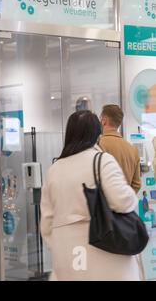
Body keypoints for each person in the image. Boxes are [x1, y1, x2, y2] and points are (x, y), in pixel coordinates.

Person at [40, 110, 140, 281]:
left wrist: (61, 243)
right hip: (105, 255)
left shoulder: (54, 170)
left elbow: (47, 222)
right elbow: (123, 201)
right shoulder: (102, 161)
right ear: (97, 133)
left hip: (68, 257)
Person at [99, 104, 141, 193]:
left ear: (104, 121)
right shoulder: (133, 150)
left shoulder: (97, 145)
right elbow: (137, 184)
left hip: (103, 205)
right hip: (125, 205)